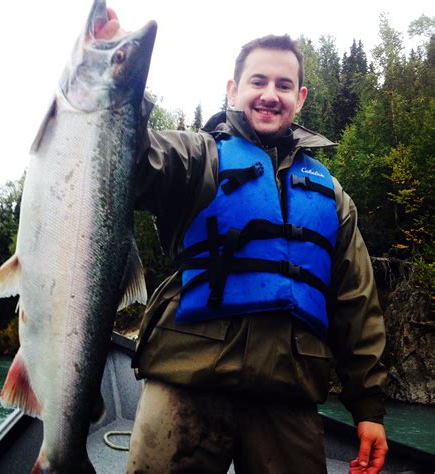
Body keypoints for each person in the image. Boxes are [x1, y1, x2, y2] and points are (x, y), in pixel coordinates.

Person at [97, 10, 388, 474]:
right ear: (232, 89)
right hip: (188, 377)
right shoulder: (195, 158)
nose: (270, 95)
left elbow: (357, 304)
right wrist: (115, 72)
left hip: (288, 391)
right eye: (257, 81)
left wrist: (368, 410)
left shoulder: (333, 198)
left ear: (301, 97)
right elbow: (125, 158)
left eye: (284, 85)